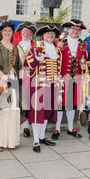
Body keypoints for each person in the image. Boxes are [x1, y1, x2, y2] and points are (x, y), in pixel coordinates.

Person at [0, 22, 25, 152]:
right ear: (1, 32)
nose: (7, 33)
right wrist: (5, 78)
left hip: (14, 81)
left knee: (13, 111)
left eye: (9, 31)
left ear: (12, 33)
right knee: (0, 111)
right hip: (0, 80)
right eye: (5, 31)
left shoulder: (17, 48)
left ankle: (11, 140)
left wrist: (20, 80)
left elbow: (21, 67)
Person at [25, 25, 62, 153]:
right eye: (47, 34)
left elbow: (59, 70)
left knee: (47, 112)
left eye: (52, 34)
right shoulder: (35, 48)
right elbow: (27, 65)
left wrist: (60, 86)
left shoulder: (58, 52)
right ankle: (36, 140)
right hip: (39, 86)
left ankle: (41, 137)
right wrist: (36, 57)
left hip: (52, 86)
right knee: (37, 113)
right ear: (43, 36)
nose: (50, 35)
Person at [52, 19, 88, 140]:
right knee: (60, 104)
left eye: (78, 30)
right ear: (68, 30)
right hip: (62, 78)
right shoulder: (60, 42)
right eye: (73, 29)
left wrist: (84, 66)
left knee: (72, 104)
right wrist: (57, 48)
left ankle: (70, 128)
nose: (75, 31)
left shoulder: (83, 44)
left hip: (76, 79)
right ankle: (57, 129)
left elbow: (84, 60)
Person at [14, 22, 37, 138]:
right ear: (21, 33)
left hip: (33, 77)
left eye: (29, 32)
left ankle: (29, 126)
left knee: (31, 102)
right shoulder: (15, 45)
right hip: (18, 76)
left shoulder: (36, 45)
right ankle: (24, 125)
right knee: (20, 102)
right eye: (24, 31)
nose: (26, 33)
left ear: (32, 34)